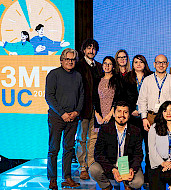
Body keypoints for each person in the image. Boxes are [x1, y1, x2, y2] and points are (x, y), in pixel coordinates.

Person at [45, 48, 83, 189]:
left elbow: (82, 96)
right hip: (57, 117)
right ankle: (52, 179)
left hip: (73, 118)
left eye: (72, 59)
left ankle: (67, 177)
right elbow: (49, 97)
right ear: (61, 60)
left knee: (68, 148)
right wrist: (62, 113)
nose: (70, 62)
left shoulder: (78, 76)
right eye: (67, 59)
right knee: (53, 149)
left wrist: (76, 112)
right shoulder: (53, 74)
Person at [90, 101, 144, 190]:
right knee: (94, 169)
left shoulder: (136, 131)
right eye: (119, 111)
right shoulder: (105, 129)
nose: (122, 115)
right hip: (111, 165)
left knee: (138, 182)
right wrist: (112, 169)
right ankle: (106, 186)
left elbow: (138, 154)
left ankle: (128, 185)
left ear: (129, 115)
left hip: (128, 166)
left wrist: (132, 169)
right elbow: (98, 153)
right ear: (114, 114)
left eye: (125, 112)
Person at [74, 39, 103, 180]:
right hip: (83, 109)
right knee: (81, 138)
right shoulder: (78, 66)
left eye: (94, 48)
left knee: (94, 137)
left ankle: (91, 163)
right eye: (89, 48)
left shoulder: (99, 66)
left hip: (96, 109)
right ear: (84, 50)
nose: (92, 51)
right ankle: (82, 166)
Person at [125, 54, 153, 184]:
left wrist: (144, 111)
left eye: (141, 62)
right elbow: (123, 96)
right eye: (136, 62)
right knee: (131, 147)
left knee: (149, 148)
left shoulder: (152, 77)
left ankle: (149, 175)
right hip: (132, 117)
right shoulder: (127, 78)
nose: (138, 64)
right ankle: (130, 173)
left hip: (147, 116)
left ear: (145, 63)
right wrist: (131, 110)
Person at [137, 54, 171, 132]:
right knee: (151, 143)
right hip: (151, 117)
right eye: (158, 62)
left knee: (167, 143)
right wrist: (144, 118)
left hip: (168, 118)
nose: (161, 65)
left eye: (164, 62)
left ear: (167, 64)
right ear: (154, 64)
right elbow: (142, 100)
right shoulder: (147, 80)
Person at [93, 56, 133, 128]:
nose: (107, 66)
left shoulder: (118, 80)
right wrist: (97, 115)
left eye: (109, 64)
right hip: (99, 116)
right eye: (105, 63)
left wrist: (110, 114)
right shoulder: (97, 80)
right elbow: (95, 98)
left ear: (113, 67)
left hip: (113, 115)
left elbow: (119, 98)